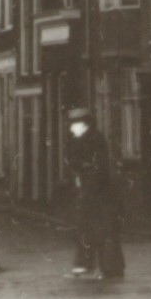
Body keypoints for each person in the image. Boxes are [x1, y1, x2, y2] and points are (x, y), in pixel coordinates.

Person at [64, 107, 123, 281]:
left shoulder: (94, 139)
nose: (72, 128)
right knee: (87, 228)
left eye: (75, 124)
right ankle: (87, 265)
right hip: (88, 191)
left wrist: (87, 185)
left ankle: (110, 268)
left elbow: (99, 168)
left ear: (85, 124)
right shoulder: (79, 140)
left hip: (99, 193)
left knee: (103, 230)